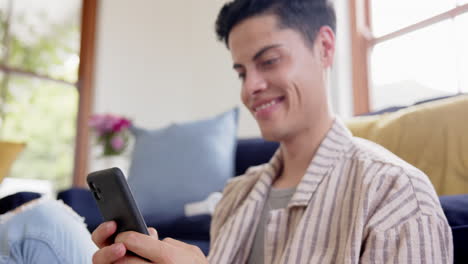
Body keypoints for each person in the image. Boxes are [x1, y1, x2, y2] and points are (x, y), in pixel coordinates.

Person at [0, 0, 453, 263]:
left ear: (325, 47)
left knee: (40, 226)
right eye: (240, 71)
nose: (251, 87)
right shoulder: (238, 194)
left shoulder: (396, 195)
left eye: (269, 61)